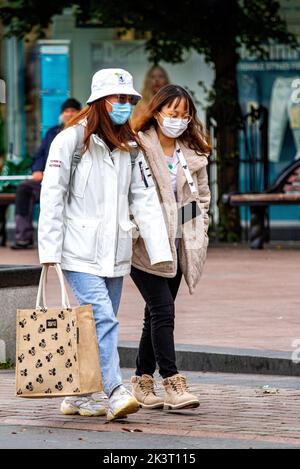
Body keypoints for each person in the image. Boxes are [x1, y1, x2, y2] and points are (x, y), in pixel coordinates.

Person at [38, 68, 173, 421]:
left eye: (130, 99)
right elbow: (52, 196)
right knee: (103, 318)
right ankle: (115, 390)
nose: (125, 105)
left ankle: (85, 395)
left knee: (97, 324)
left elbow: (144, 197)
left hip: (116, 252)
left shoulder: (131, 146)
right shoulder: (70, 140)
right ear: (99, 100)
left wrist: (160, 250)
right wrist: (49, 252)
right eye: (119, 98)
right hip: (77, 251)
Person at [130, 84, 211, 410]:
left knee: (155, 314)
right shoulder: (138, 146)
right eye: (172, 113)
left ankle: (140, 382)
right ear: (157, 111)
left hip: (179, 245)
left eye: (184, 115)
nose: (178, 120)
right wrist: (139, 228)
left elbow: (199, 197)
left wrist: (195, 224)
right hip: (145, 246)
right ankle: (173, 383)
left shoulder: (191, 153)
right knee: (163, 310)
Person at [11, 98, 81, 250]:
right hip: (48, 180)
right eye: (66, 111)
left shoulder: (84, 133)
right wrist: (37, 169)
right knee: (24, 189)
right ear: (62, 114)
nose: (69, 114)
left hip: (75, 182)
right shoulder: (52, 133)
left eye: (73, 111)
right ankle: (23, 237)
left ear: (80, 113)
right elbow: (40, 155)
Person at [131, 64, 170, 130]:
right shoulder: (141, 103)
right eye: (152, 77)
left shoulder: (172, 101)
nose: (157, 80)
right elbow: (134, 126)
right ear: (148, 81)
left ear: (166, 80)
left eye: (160, 76)